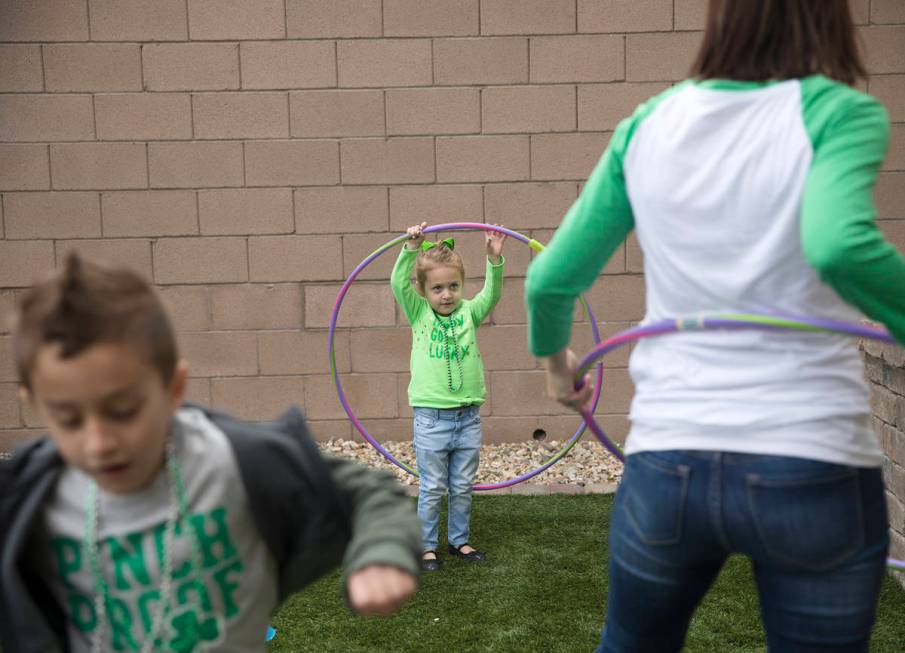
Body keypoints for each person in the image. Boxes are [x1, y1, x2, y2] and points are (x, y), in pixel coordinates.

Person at [524, 1, 905, 651]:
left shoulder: (647, 124)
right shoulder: (839, 112)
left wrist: (559, 370)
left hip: (669, 461)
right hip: (810, 459)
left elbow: (548, 280)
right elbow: (838, 245)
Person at [0, 254, 421, 653]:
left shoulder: (234, 459)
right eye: (69, 420)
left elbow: (370, 491)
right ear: (35, 403)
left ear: (173, 388)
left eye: (124, 411)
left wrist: (380, 553)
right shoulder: (27, 498)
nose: (99, 443)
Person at [391, 222, 507, 572]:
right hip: (431, 418)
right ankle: (426, 546)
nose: (446, 295)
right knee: (432, 487)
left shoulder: (469, 313)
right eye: (438, 288)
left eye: (453, 286)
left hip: (468, 417)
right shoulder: (419, 313)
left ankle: (459, 541)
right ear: (424, 290)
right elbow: (398, 283)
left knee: (461, 485)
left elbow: (493, 294)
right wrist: (411, 248)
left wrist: (494, 260)